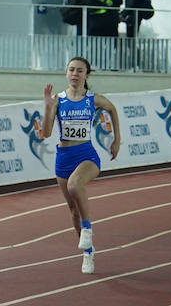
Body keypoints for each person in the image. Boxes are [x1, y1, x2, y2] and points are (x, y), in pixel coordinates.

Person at [40, 56, 121, 275]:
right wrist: (48, 108)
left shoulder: (93, 99)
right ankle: (88, 253)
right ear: (66, 73)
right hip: (63, 158)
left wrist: (117, 140)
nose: (75, 74)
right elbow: (46, 133)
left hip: (86, 155)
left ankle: (87, 228)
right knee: (72, 211)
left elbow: (112, 109)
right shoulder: (58, 100)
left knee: (75, 186)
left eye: (79, 71)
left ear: (87, 75)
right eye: (71, 70)